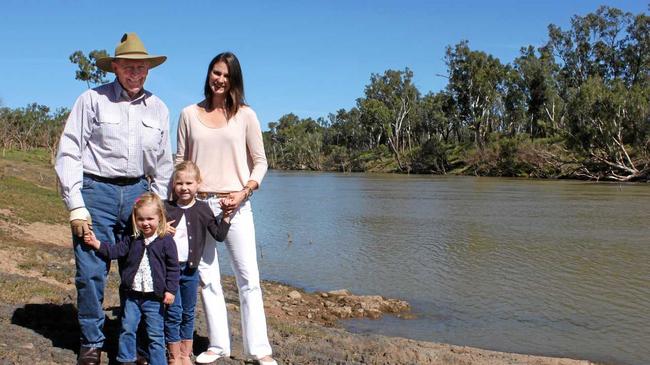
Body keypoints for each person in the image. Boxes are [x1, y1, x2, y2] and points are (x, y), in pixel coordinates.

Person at [55, 32, 173, 365]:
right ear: (116, 67)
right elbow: (69, 153)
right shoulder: (91, 100)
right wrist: (76, 205)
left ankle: (129, 343)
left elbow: (163, 165)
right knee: (91, 273)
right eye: (129, 67)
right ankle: (91, 342)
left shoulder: (159, 108)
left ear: (148, 69)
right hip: (96, 193)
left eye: (142, 68)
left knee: (137, 273)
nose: (135, 74)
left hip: (139, 194)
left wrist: (159, 208)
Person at [175, 52, 276, 365]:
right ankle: (218, 345)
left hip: (236, 205)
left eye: (226, 75)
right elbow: (180, 161)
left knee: (249, 278)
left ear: (234, 80)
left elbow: (260, 162)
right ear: (209, 74)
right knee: (206, 276)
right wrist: (178, 203)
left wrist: (244, 192)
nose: (219, 79)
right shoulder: (188, 114)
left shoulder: (246, 115)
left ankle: (259, 349)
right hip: (198, 206)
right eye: (215, 73)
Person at [84, 193, 179, 365]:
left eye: (150, 218)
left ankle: (159, 362)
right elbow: (114, 251)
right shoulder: (132, 239)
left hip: (154, 298)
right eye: (141, 219)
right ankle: (126, 359)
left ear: (160, 218)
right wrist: (97, 244)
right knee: (127, 328)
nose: (145, 223)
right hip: (132, 296)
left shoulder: (166, 241)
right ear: (135, 219)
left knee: (156, 334)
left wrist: (171, 291)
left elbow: (173, 269)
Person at [164, 161, 232, 364]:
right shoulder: (165, 208)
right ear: (173, 185)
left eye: (189, 183)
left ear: (198, 184)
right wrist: (161, 230)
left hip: (191, 270)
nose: (184, 188)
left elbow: (218, 235)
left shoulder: (203, 209)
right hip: (170, 270)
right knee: (174, 312)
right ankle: (173, 355)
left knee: (188, 312)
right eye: (179, 183)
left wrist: (227, 216)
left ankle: (186, 353)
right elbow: (147, 230)